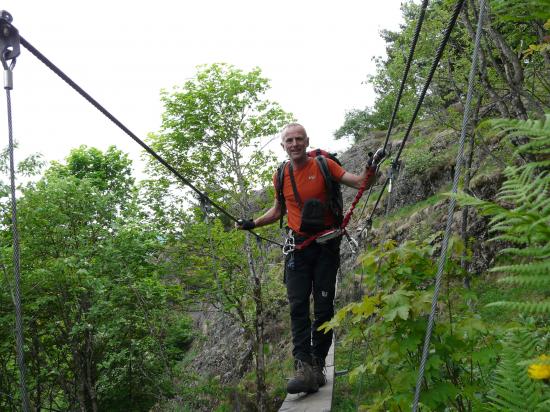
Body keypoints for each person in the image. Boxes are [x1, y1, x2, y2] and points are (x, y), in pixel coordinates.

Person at [237, 123, 381, 394]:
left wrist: (370, 170)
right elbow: (279, 210)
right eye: (289, 140)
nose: (294, 144)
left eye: (298, 139)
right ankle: (303, 368)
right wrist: (253, 223)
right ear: (283, 146)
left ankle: (317, 365)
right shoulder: (280, 175)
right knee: (298, 307)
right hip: (298, 249)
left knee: (324, 308)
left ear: (307, 141)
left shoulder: (324, 165)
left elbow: (360, 182)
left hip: (326, 247)